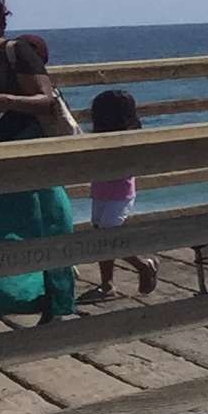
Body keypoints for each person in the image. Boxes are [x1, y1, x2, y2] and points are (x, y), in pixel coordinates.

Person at [0, 36, 79, 323]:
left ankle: (55, 306)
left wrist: (2, 101)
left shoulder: (15, 51)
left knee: (48, 227)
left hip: (28, 157)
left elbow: (46, 100)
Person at [82, 91, 160, 302]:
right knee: (100, 234)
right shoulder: (98, 137)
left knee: (108, 235)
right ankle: (106, 284)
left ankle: (143, 265)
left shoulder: (127, 137)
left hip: (120, 193)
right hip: (100, 190)